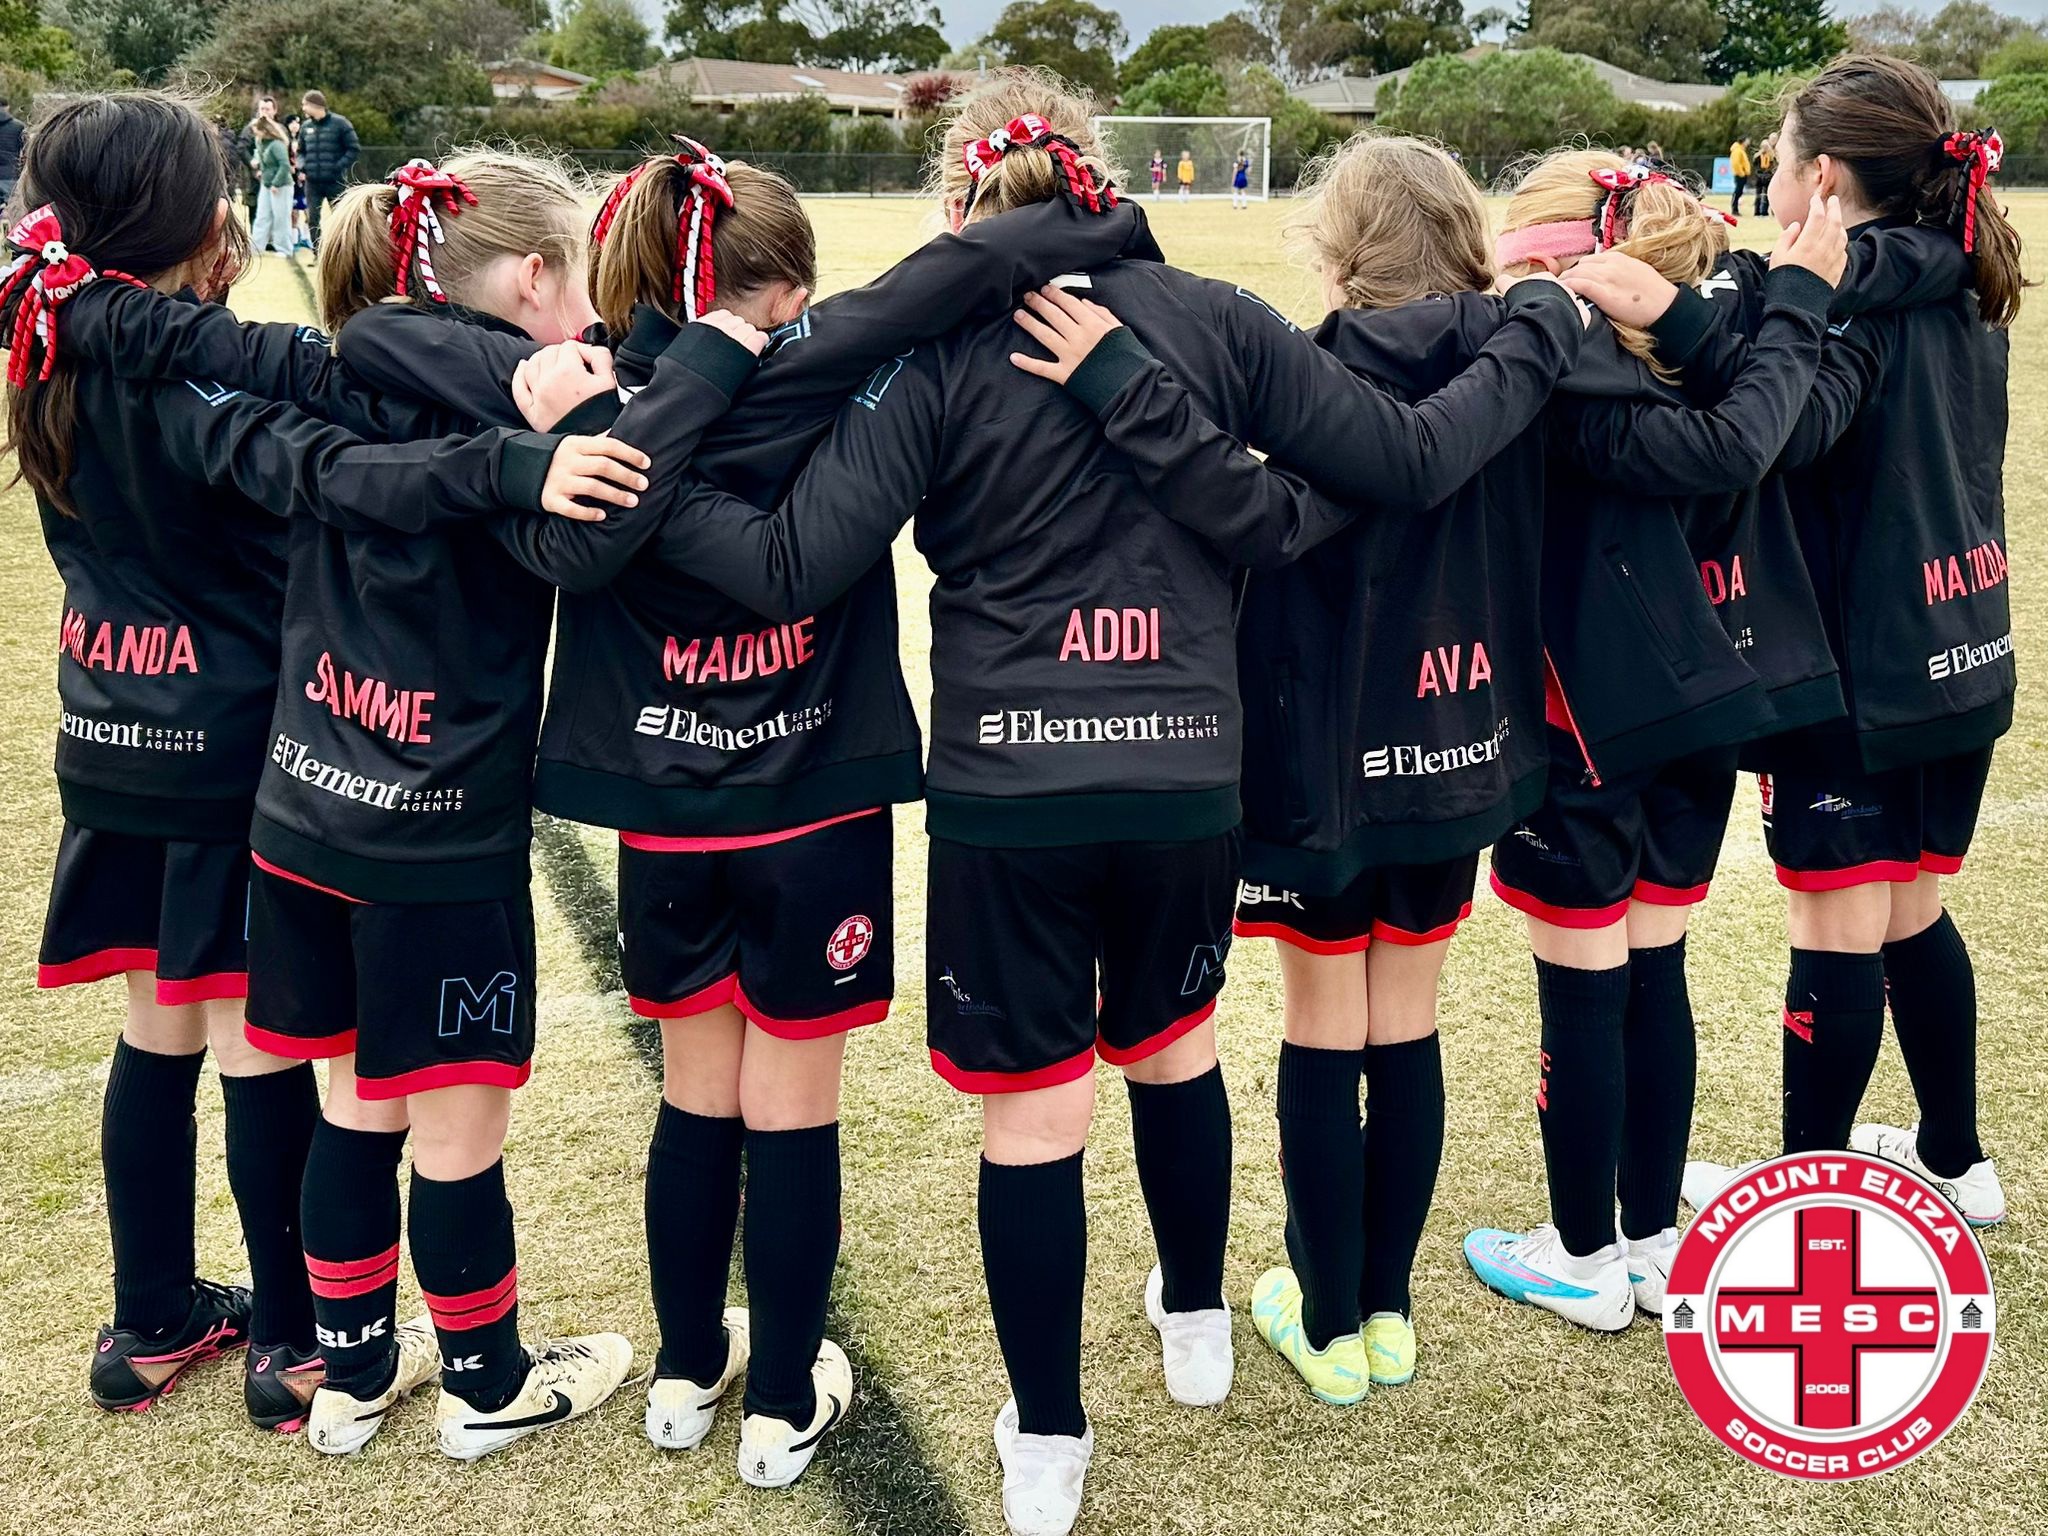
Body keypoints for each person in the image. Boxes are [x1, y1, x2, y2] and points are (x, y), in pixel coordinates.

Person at [648, 71, 1584, 1536]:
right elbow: (1397, 462)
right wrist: (1535, 334)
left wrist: (636, 487)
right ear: (1101, 177)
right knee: (1175, 1046)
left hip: (1010, 788)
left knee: (1033, 1121)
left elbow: (791, 565)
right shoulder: (1214, 318)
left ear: (964, 206)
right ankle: (1196, 1321)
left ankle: (1048, 1437)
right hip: (1179, 778)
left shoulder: (945, 344)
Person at [16, 91, 633, 1434]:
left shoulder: (52, 343)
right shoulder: (177, 371)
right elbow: (336, 462)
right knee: (259, 1052)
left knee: (156, 1031)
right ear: (179, 220)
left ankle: (153, 1316)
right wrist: (510, 462)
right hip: (234, 741)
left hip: (112, 725)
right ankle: (301, 1349)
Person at [1051, 133, 1567, 1404]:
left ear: (1334, 255)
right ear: (1466, 240)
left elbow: (1237, 511)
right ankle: (1383, 1311)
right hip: (1460, 747)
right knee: (1409, 1021)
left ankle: (1325, 1314)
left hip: (1316, 765)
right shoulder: (1520, 366)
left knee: (1322, 1027)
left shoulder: (1305, 371)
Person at [1461, 149, 1850, 1333]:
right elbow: (1749, 387)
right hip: (1706, 706)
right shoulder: (1733, 346)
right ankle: (1645, 1238)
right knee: (1656, 962)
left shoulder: (1566, 386)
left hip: (1585, 722)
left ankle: (1584, 1251)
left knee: (1583, 987)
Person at [1677, 55, 2021, 1227]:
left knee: (1835, 925)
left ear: (1821, 179)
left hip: (1853, 670)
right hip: (1961, 646)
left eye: (1775, 158)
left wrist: (1773, 305)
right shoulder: (1963, 278)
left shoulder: (1850, 302)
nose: (1768, 177)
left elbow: (1785, 432)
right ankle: (1953, 1156)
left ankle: (1795, 1200)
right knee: (1910, 913)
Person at [297, 89, 359, 251]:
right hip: (313, 182)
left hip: (335, 181)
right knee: (312, 219)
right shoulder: (305, 127)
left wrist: (337, 167)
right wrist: (302, 167)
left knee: (341, 218)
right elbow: (300, 152)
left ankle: (343, 251)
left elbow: (353, 149)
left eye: (305, 105)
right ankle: (318, 252)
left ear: (315, 105)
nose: (303, 108)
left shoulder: (341, 124)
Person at [248, 116, 294, 259]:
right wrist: (261, 169)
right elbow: (265, 161)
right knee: (262, 216)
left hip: (281, 186)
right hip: (266, 185)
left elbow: (285, 165)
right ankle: (256, 247)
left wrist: (276, 183)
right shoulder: (260, 142)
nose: (255, 134)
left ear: (265, 130)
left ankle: (284, 249)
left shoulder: (277, 145)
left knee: (281, 217)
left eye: (257, 131)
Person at [0, 94, 24, 203]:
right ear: (7, 107)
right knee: (9, 210)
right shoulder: (19, 126)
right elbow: (25, 152)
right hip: (11, 175)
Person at [1729, 134, 1752, 215]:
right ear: (1743, 141)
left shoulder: (1741, 150)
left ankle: (1735, 209)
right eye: (1747, 140)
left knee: (1739, 191)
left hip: (1742, 174)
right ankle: (1734, 209)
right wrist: (1741, 173)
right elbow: (1736, 163)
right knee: (1738, 191)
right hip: (1740, 174)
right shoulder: (1737, 150)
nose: (1748, 142)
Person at [1755, 132, 1776, 216]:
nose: (1765, 148)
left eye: (1766, 147)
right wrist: (1760, 175)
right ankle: (1757, 212)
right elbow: (1756, 168)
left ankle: (1764, 212)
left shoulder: (1771, 156)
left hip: (1768, 177)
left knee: (1767, 196)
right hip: (1760, 178)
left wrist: (1768, 175)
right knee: (1758, 195)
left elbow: (1772, 166)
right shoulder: (1757, 156)